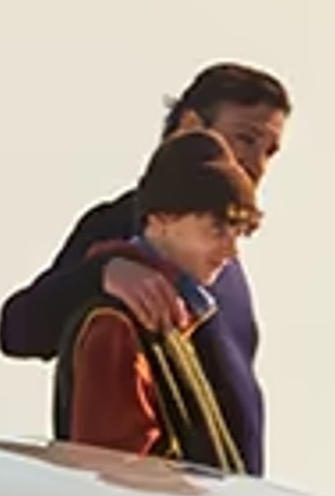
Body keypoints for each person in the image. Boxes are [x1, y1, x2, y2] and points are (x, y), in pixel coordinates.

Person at [0, 61, 290, 470]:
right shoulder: (121, 226)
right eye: (246, 139)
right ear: (190, 126)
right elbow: (18, 329)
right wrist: (102, 273)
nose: (256, 163)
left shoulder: (221, 262)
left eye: (270, 151)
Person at [49, 128, 265, 466]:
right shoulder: (117, 328)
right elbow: (120, 477)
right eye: (217, 229)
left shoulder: (174, 319)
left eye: (238, 232)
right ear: (162, 219)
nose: (231, 250)